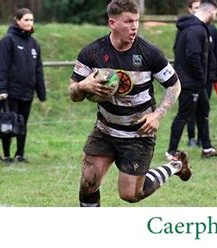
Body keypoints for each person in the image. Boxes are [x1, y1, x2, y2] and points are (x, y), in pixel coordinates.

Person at [69, 0, 191, 207]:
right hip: (105, 130)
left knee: (131, 195)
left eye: (136, 21)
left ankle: (176, 165)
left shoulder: (149, 53)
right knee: (88, 182)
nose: (134, 26)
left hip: (138, 134)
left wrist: (157, 115)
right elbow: (73, 93)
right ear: (112, 23)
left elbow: (174, 85)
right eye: (128, 21)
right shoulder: (92, 53)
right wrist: (83, 86)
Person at [167, 0, 217, 159]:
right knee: (184, 114)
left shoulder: (198, 28)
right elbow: (193, 56)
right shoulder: (195, 30)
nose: (215, 16)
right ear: (211, 11)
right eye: (215, 13)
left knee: (203, 111)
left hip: (197, 83)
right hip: (190, 82)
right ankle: (171, 152)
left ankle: (207, 148)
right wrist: (201, 76)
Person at [0, 8, 46, 164]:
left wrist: (41, 92)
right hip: (11, 92)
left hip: (27, 91)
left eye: (31, 20)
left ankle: (20, 153)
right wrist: (2, 89)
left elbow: (38, 69)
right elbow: (2, 67)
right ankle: (6, 154)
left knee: (23, 123)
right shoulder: (8, 41)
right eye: (26, 19)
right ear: (17, 21)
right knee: (9, 123)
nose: (29, 23)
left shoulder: (34, 43)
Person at [185, 0, 217, 148]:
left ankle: (204, 140)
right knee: (191, 108)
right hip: (194, 77)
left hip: (208, 77)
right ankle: (191, 137)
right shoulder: (190, 30)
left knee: (204, 108)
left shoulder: (212, 29)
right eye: (194, 8)